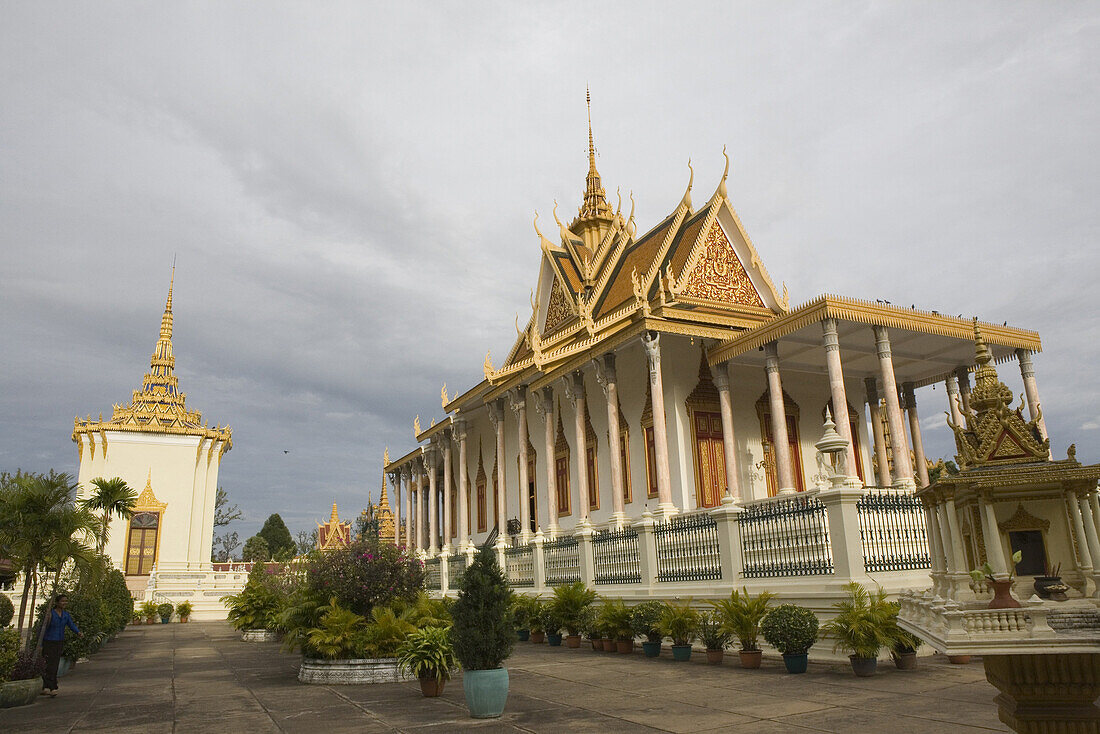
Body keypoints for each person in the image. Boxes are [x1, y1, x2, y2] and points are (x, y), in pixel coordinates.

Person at [41, 594, 82, 697]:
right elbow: (44, 629)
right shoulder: (51, 614)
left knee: (54, 664)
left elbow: (71, 624)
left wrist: (78, 632)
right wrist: (40, 644)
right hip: (49, 641)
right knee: (48, 664)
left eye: (66, 601)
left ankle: (48, 686)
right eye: (62, 601)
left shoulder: (65, 615)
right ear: (57, 602)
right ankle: (52, 687)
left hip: (59, 641)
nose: (64, 603)